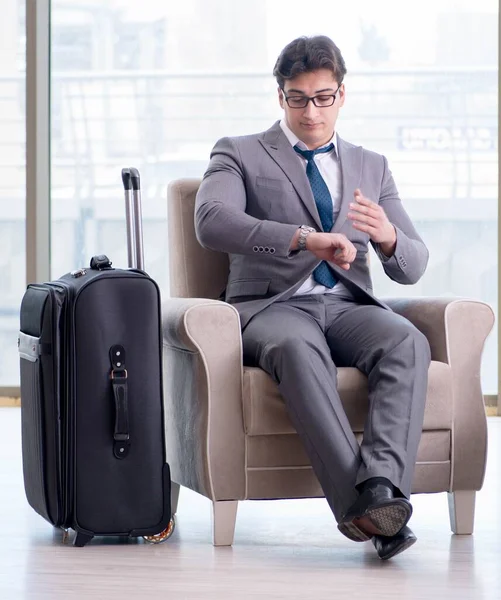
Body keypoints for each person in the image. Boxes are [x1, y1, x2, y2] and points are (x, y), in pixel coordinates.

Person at [195, 35, 431, 560]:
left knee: (407, 343)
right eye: (298, 98)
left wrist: (389, 236)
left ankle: (381, 490)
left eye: (323, 97)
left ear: (341, 95)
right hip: (274, 307)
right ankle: (370, 513)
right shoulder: (239, 152)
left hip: (348, 306)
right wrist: (304, 238)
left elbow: (413, 264)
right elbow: (212, 222)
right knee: (299, 350)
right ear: (280, 97)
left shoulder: (372, 165)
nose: (311, 110)